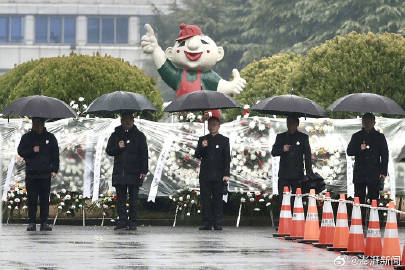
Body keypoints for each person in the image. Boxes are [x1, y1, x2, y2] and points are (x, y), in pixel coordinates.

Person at [106, 113, 148, 230]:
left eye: (130, 120)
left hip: (134, 171)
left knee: (133, 198)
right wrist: (118, 147)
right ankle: (122, 220)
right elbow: (109, 150)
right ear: (121, 121)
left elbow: (144, 154)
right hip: (120, 172)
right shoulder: (115, 135)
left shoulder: (139, 136)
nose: (128, 122)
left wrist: (144, 170)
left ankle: (133, 221)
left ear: (133, 121)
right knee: (121, 198)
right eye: (125, 120)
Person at [17, 117, 59, 231]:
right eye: (34, 123)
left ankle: (44, 222)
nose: (36, 126)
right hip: (32, 173)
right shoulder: (27, 137)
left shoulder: (50, 137)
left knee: (45, 199)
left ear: (43, 124)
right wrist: (32, 150)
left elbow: (55, 154)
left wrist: (54, 169)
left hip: (45, 174)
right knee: (32, 199)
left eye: (39, 124)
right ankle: (31, 222)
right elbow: (20, 151)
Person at [194, 117, 231, 230]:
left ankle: (217, 222)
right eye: (210, 124)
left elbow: (226, 158)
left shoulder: (224, 140)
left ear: (219, 126)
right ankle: (207, 222)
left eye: (214, 124)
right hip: (205, 174)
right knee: (205, 199)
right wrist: (202, 146)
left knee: (217, 199)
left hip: (219, 175)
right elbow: (197, 155)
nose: (212, 126)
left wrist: (226, 174)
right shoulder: (203, 139)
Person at [347, 113, 388, 204]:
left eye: (370, 121)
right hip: (359, 174)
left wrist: (383, 172)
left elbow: (385, 155)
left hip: (374, 173)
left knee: (374, 199)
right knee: (359, 199)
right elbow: (349, 152)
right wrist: (359, 148)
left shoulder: (380, 137)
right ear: (362, 122)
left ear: (374, 122)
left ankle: (374, 218)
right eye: (365, 121)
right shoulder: (356, 136)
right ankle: (359, 218)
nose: (367, 124)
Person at [271, 116, 313, 205]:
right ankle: (282, 218)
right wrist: (282, 149)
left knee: (297, 201)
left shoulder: (303, 137)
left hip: (298, 175)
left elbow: (308, 156)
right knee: (282, 200)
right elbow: (273, 152)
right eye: (288, 122)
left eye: (292, 122)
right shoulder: (280, 137)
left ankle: (297, 218)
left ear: (297, 124)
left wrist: (309, 174)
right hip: (284, 175)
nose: (290, 125)